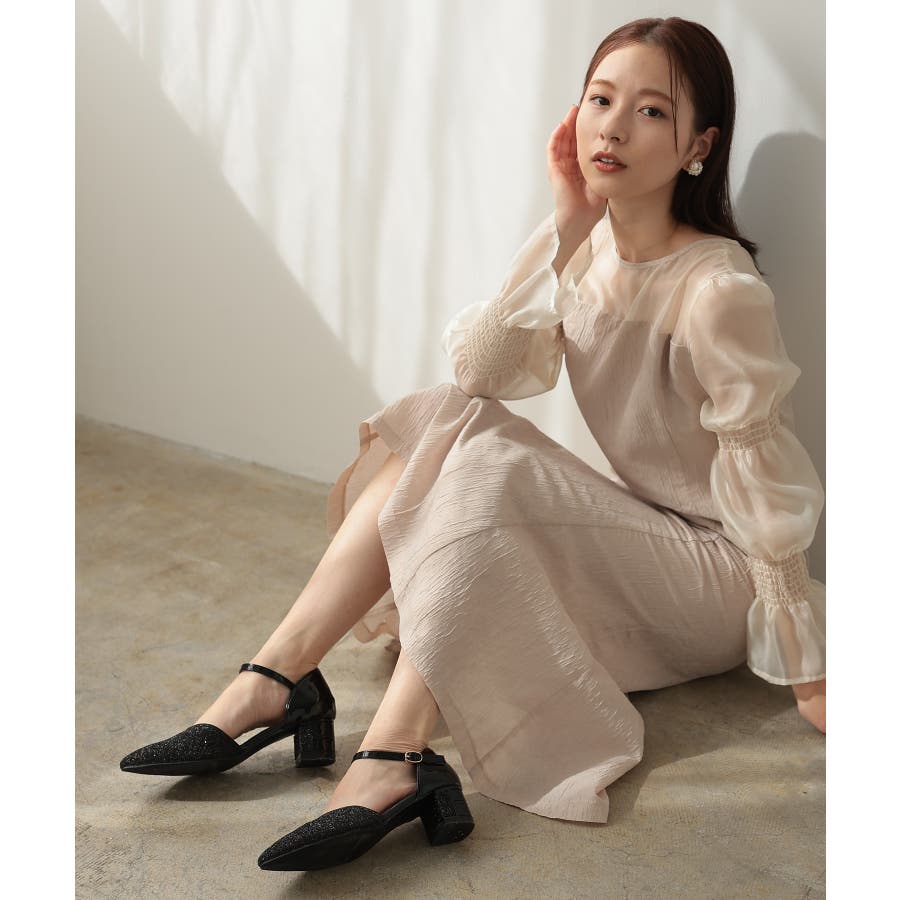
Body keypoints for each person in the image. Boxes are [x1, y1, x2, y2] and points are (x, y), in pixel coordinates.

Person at [119, 15, 826, 872]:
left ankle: (390, 753)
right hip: (639, 536)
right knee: (448, 416)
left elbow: (765, 481)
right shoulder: (586, 244)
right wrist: (566, 226)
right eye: (601, 100)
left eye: (650, 111)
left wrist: (809, 670)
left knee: (486, 459)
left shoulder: (717, 290)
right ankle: (278, 676)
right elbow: (480, 373)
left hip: (714, 576)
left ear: (699, 146)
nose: (612, 128)